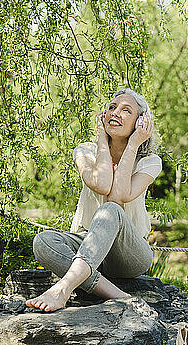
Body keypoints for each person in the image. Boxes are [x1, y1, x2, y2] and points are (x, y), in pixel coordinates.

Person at [25, 88, 163, 312]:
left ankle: (64, 288)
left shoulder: (149, 162)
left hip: (128, 254)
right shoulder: (85, 151)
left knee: (110, 210)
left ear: (141, 122)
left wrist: (133, 144)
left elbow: (117, 197)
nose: (115, 113)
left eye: (126, 110)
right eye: (111, 108)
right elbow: (100, 183)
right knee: (43, 241)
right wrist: (101, 138)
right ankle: (116, 294)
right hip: (88, 242)